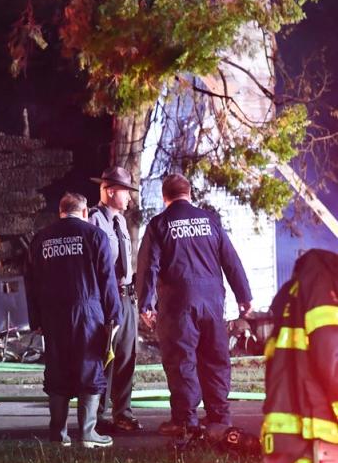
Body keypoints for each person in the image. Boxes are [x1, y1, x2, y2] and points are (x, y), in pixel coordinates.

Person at [136, 173, 253, 436]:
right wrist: (244, 296)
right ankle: (220, 418)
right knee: (215, 358)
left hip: (178, 302)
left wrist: (146, 304)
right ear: (189, 194)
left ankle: (185, 420)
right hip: (212, 301)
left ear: (165, 197)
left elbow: (149, 267)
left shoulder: (159, 224)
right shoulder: (210, 221)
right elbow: (231, 261)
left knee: (181, 360)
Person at [26, 192, 122, 448]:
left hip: (52, 315)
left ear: (61, 211)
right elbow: (107, 281)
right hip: (88, 313)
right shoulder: (94, 236)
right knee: (89, 368)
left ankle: (58, 435)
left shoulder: (41, 239)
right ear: (84, 212)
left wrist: (35, 318)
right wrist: (114, 315)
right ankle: (88, 433)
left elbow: (31, 283)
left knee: (57, 369)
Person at [261, 249, 338, 463]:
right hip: (318, 408)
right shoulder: (322, 286)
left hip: (293, 410)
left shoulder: (293, 290)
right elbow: (330, 353)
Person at [88, 167, 142, 433]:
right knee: (103, 357)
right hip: (105, 299)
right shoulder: (94, 220)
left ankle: (123, 412)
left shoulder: (120, 221)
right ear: (110, 191)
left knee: (126, 356)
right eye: (126, 193)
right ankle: (96, 415)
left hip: (127, 297)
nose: (130, 199)